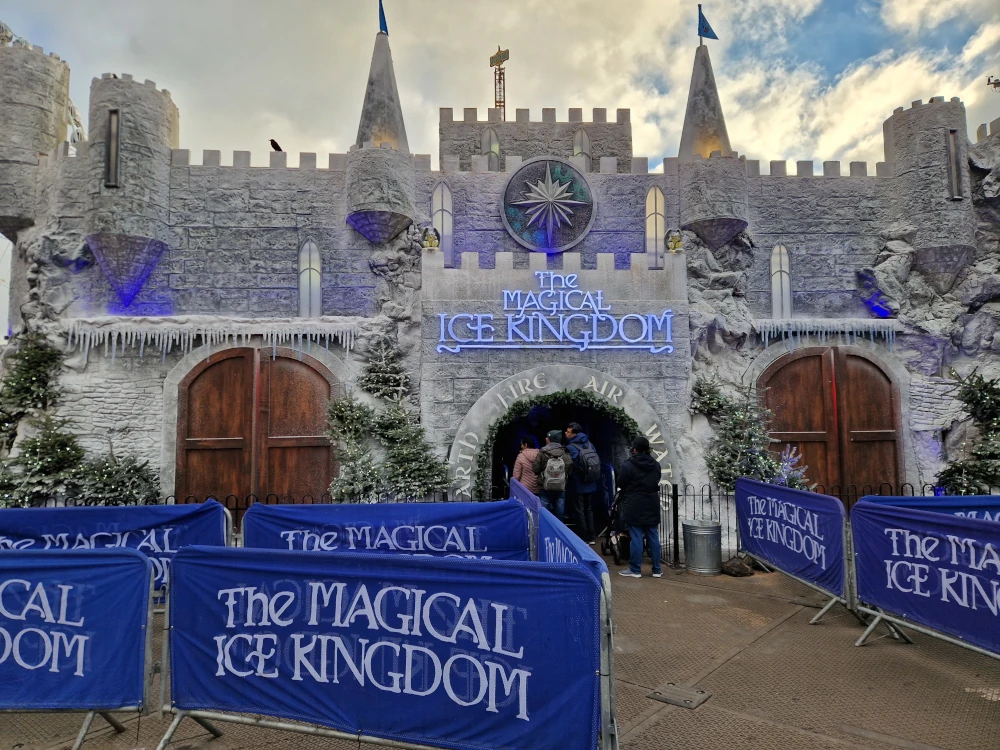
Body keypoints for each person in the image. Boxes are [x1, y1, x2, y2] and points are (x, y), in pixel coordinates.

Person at [616, 435, 663, 578]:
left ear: (634, 449)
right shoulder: (655, 464)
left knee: (635, 536)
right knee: (653, 536)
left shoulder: (628, 465)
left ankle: (635, 569)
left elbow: (621, 483)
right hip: (651, 501)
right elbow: (657, 479)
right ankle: (657, 569)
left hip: (634, 502)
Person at [565, 422, 598, 544]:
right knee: (588, 509)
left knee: (579, 510)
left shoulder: (571, 448)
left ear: (574, 434)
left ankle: (583, 537)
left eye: (568, 432)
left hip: (578, 483)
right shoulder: (590, 444)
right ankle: (592, 536)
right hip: (591, 482)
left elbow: (570, 465)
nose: (565, 433)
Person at [532, 430, 571, 520]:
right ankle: (558, 530)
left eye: (547, 437)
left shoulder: (543, 452)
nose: (545, 438)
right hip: (561, 486)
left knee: (544, 512)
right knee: (560, 511)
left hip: (544, 486)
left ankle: (545, 530)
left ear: (550, 439)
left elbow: (535, 469)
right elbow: (569, 466)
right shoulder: (565, 452)